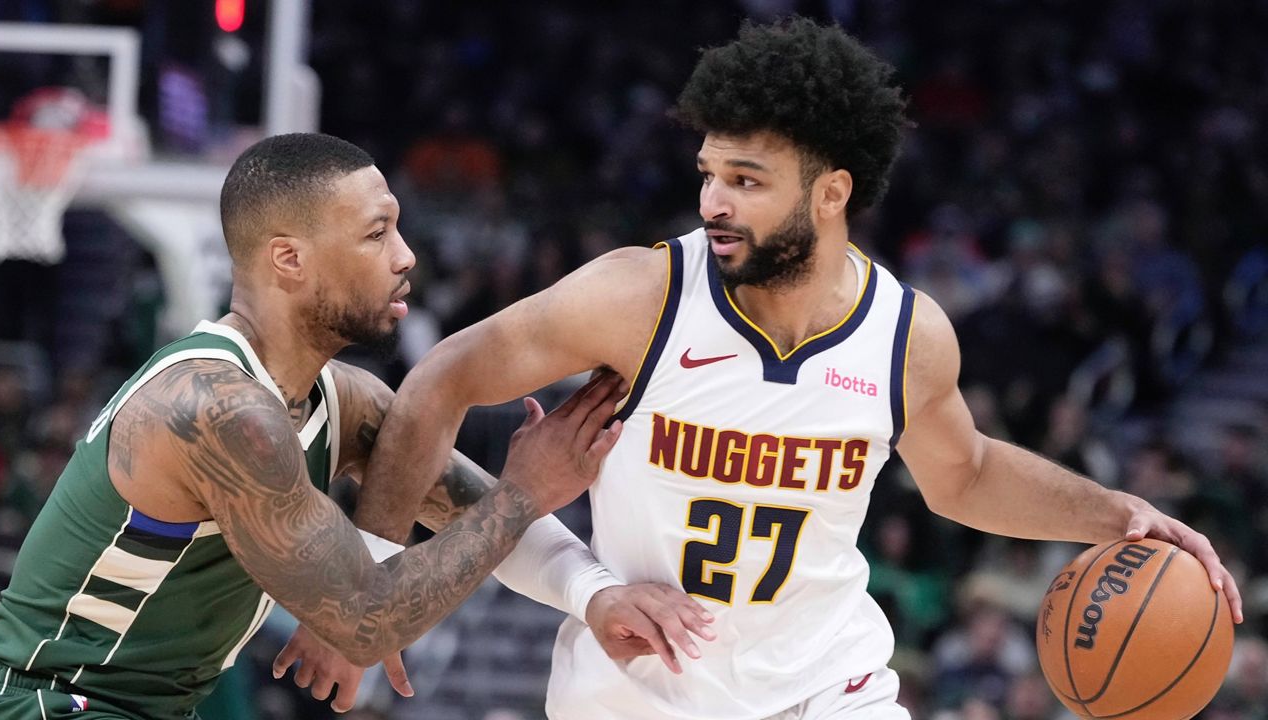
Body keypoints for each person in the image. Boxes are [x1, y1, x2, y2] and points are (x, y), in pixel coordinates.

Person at [345, 17, 1241, 720]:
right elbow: (440, 379)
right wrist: (366, 587)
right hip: (639, 693)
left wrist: (1114, 512)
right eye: (708, 174)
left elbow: (964, 475)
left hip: (830, 688)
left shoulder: (906, 334)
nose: (713, 201)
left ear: (831, 192)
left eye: (746, 180)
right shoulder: (640, 297)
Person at [0, 133, 629, 720]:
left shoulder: (337, 397)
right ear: (289, 259)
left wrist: (596, 594)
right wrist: (524, 493)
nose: (405, 255)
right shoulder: (218, 409)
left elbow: (469, 510)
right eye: (376, 234)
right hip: (47, 700)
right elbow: (372, 620)